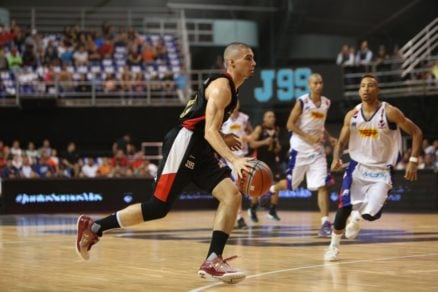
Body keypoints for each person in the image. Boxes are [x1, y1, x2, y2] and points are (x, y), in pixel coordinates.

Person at [76, 42, 256, 284]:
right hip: (184, 145)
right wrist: (233, 159)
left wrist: (223, 137)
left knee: (231, 196)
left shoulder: (231, 91)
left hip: (200, 148)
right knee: (157, 208)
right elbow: (208, 131)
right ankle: (94, 228)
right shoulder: (222, 87)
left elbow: (203, 125)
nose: (253, 63)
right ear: (232, 62)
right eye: (248, 58)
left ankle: (213, 259)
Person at [324, 74, 422, 261]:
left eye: (370, 86)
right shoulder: (352, 115)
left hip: (382, 171)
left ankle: (357, 216)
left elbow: (417, 132)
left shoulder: (390, 112)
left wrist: (414, 160)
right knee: (343, 206)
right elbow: (341, 141)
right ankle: (333, 246)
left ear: (378, 90)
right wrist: (336, 158)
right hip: (357, 167)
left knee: (371, 216)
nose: (366, 89)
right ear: (359, 90)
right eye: (362, 86)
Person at [269, 73, 337, 237]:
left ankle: (325, 223)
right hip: (300, 149)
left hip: (317, 151)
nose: (319, 85)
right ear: (309, 85)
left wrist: (329, 138)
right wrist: (308, 137)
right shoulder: (302, 102)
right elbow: (290, 124)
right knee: (291, 185)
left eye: (320, 82)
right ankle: (272, 189)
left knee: (322, 186)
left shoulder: (326, 102)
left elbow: (320, 127)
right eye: (315, 83)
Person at [221, 100, 254, 229]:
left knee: (239, 189)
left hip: (243, 157)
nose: (235, 104)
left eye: (237, 102)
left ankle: (237, 216)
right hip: (230, 159)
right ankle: (239, 218)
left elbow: (252, 134)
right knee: (236, 189)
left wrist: (249, 137)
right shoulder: (224, 120)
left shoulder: (244, 118)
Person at [247, 110, 282, 222]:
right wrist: (264, 142)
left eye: (273, 116)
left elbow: (277, 145)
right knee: (258, 188)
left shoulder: (276, 129)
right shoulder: (259, 129)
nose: (272, 118)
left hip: (272, 161)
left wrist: (277, 147)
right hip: (260, 161)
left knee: (277, 185)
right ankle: (252, 209)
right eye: (269, 116)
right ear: (264, 119)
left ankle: (272, 210)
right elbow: (252, 144)